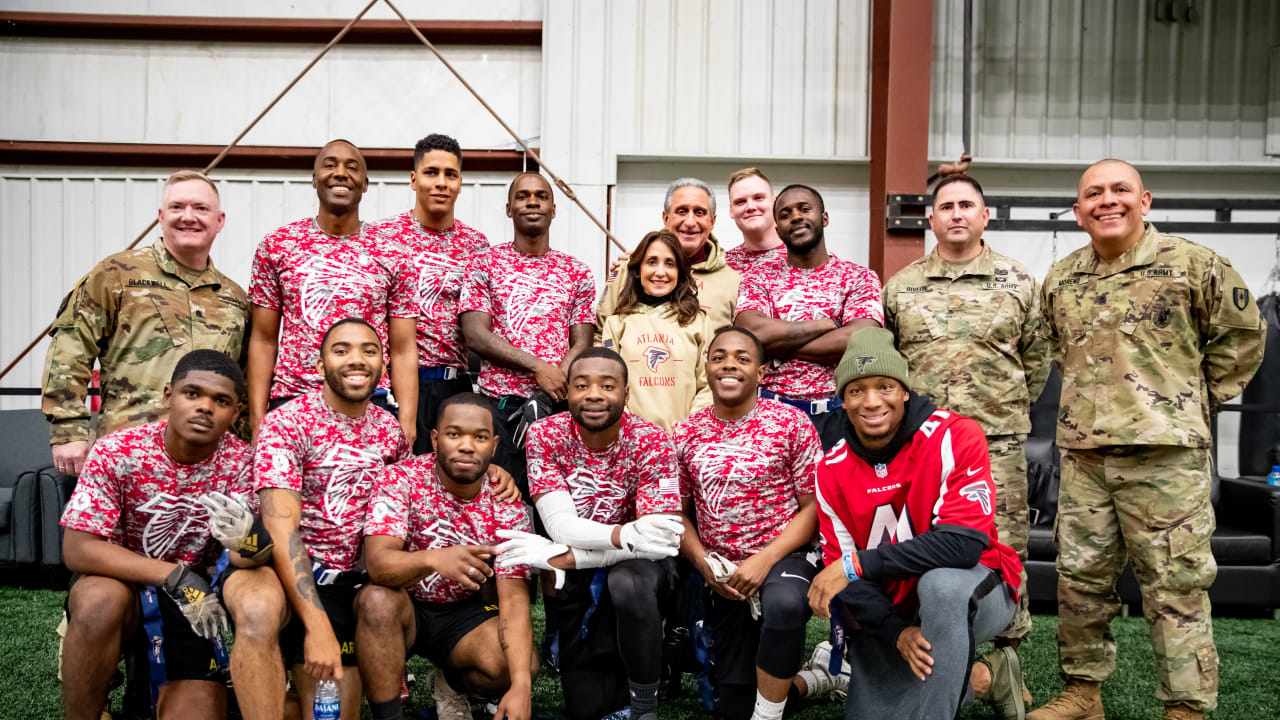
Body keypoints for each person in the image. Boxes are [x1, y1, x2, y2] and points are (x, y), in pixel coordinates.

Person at [1028, 160, 1267, 720]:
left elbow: (1244, 338)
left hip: (1166, 458)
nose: (1106, 201)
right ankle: (1084, 694)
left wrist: (1187, 400)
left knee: (1175, 585)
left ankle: (1185, 707)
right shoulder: (1062, 278)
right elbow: (1059, 348)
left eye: (1119, 190)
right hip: (1085, 457)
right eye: (1093, 194)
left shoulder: (1195, 265)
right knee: (1079, 579)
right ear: (1078, 208)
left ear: (1146, 200)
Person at [807, 327, 1026, 720]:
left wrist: (856, 565)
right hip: (895, 604)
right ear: (842, 399)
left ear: (905, 390)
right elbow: (845, 579)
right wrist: (896, 632)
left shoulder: (955, 434)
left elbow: (962, 547)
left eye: (885, 386)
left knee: (939, 586)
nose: (872, 401)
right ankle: (987, 677)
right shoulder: (830, 468)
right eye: (856, 390)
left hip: (975, 588)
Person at [883, 173, 1049, 659]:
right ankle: (925, 653)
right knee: (919, 545)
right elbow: (891, 367)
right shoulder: (902, 287)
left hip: (996, 444)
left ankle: (1004, 662)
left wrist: (996, 407)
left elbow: (1037, 359)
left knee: (1006, 549)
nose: (956, 214)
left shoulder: (1019, 282)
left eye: (966, 205)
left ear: (984, 216)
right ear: (931, 219)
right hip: (922, 447)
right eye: (946, 206)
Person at [58, 350, 256, 720]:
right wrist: (175, 575)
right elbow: (78, 549)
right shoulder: (118, 450)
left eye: (221, 401)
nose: (205, 408)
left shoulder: (242, 462)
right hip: (122, 588)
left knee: (194, 712)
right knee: (101, 599)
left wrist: (253, 541)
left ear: (237, 412)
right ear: (169, 395)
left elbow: (250, 552)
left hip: (193, 605)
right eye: (192, 393)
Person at [493, 347, 685, 720]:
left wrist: (566, 555)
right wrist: (620, 537)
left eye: (607, 385)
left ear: (626, 394)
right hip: (579, 571)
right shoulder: (546, 434)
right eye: (581, 385)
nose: (594, 394)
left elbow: (658, 541)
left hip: (641, 570)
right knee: (586, 708)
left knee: (627, 583)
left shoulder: (651, 439)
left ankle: (645, 707)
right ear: (569, 393)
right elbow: (563, 527)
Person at [251, 318, 412, 720]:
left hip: (357, 586)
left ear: (383, 364)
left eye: (369, 351)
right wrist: (317, 626)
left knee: (333, 712)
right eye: (341, 350)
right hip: (300, 580)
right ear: (320, 366)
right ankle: (272, 677)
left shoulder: (390, 431)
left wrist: (492, 474)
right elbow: (281, 531)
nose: (356, 360)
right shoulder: (286, 424)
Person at [673, 327, 837, 720]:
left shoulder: (792, 424)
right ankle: (815, 679)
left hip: (785, 558)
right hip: (723, 572)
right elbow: (675, 512)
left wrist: (764, 561)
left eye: (742, 358)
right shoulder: (684, 431)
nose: (729, 364)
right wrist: (704, 565)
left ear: (762, 373)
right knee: (732, 708)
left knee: (781, 604)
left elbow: (813, 509)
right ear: (707, 369)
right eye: (719, 357)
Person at [43, 169, 248, 476]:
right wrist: (68, 431)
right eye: (178, 207)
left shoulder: (234, 298)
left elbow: (243, 381)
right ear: (161, 216)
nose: (188, 217)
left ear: (219, 221)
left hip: (209, 464)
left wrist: (246, 446)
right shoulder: (117, 274)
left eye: (201, 208)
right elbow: (71, 349)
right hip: (128, 455)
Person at [358, 393, 537, 720]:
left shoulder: (507, 502)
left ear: (494, 446)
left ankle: (452, 683)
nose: (467, 446)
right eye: (455, 434)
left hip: (465, 613)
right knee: (376, 602)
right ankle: (388, 715)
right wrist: (433, 559)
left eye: (480, 437)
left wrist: (522, 686)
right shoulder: (401, 479)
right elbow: (379, 565)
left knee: (516, 664)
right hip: (405, 605)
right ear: (436, 438)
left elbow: (513, 599)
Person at [246, 139, 418, 445]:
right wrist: (258, 417)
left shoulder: (394, 253)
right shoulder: (278, 245)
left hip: (366, 402)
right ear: (314, 178)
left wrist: (406, 421)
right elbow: (262, 339)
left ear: (365, 184)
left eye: (352, 167)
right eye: (329, 165)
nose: (340, 173)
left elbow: (404, 348)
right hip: (292, 400)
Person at [459, 172, 596, 493]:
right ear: (509, 209)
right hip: (501, 410)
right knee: (505, 502)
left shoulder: (576, 271)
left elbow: (583, 342)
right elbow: (476, 335)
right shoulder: (484, 263)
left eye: (541, 196)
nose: (532, 201)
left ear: (553, 209)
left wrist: (548, 394)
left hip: (557, 413)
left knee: (558, 505)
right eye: (522, 196)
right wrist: (538, 367)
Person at [734, 184, 883, 449]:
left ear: (824, 218)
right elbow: (751, 335)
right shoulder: (758, 277)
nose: (796, 217)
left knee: (836, 491)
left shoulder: (858, 277)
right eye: (785, 214)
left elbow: (863, 340)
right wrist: (828, 325)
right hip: (771, 414)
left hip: (840, 415)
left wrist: (778, 348)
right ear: (778, 229)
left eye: (804, 209)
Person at [368, 133, 489, 453]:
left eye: (450, 175)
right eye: (431, 173)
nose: (441, 183)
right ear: (413, 179)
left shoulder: (476, 245)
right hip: (391, 383)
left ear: (461, 182)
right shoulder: (380, 236)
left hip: (452, 383)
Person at [600, 229, 712, 431]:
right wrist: (633, 432)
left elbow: (708, 385)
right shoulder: (616, 324)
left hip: (684, 439)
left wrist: (688, 430)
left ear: (680, 272)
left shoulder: (699, 322)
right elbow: (608, 386)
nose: (660, 272)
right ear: (637, 270)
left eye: (669, 263)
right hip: (631, 440)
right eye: (651, 262)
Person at [598, 178, 742, 332]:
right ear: (665, 218)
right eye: (682, 211)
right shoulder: (628, 269)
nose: (690, 222)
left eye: (699, 212)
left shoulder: (734, 282)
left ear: (712, 221)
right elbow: (600, 334)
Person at [724, 168, 785, 273]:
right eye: (740, 201)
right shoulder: (723, 267)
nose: (750, 207)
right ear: (731, 211)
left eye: (758, 198)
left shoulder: (804, 256)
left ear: (775, 203)